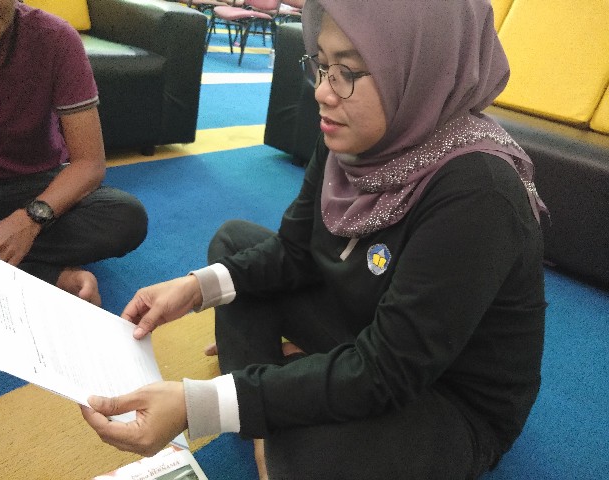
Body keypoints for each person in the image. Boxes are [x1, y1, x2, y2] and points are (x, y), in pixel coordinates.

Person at [81, 0, 548, 478]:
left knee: (319, 448)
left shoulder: (478, 192)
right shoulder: (356, 135)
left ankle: (270, 404)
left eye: (347, 71)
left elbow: (388, 371)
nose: (323, 91)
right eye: (322, 65)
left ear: (418, 67)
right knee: (233, 246)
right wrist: (194, 288)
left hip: (440, 390)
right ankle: (275, 408)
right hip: (364, 324)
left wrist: (201, 405)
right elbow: (294, 251)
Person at [0, 0, 148, 305]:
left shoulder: (55, 38)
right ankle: (49, 276)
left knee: (125, 217)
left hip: (35, 186)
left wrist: (28, 221)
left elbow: (89, 164)